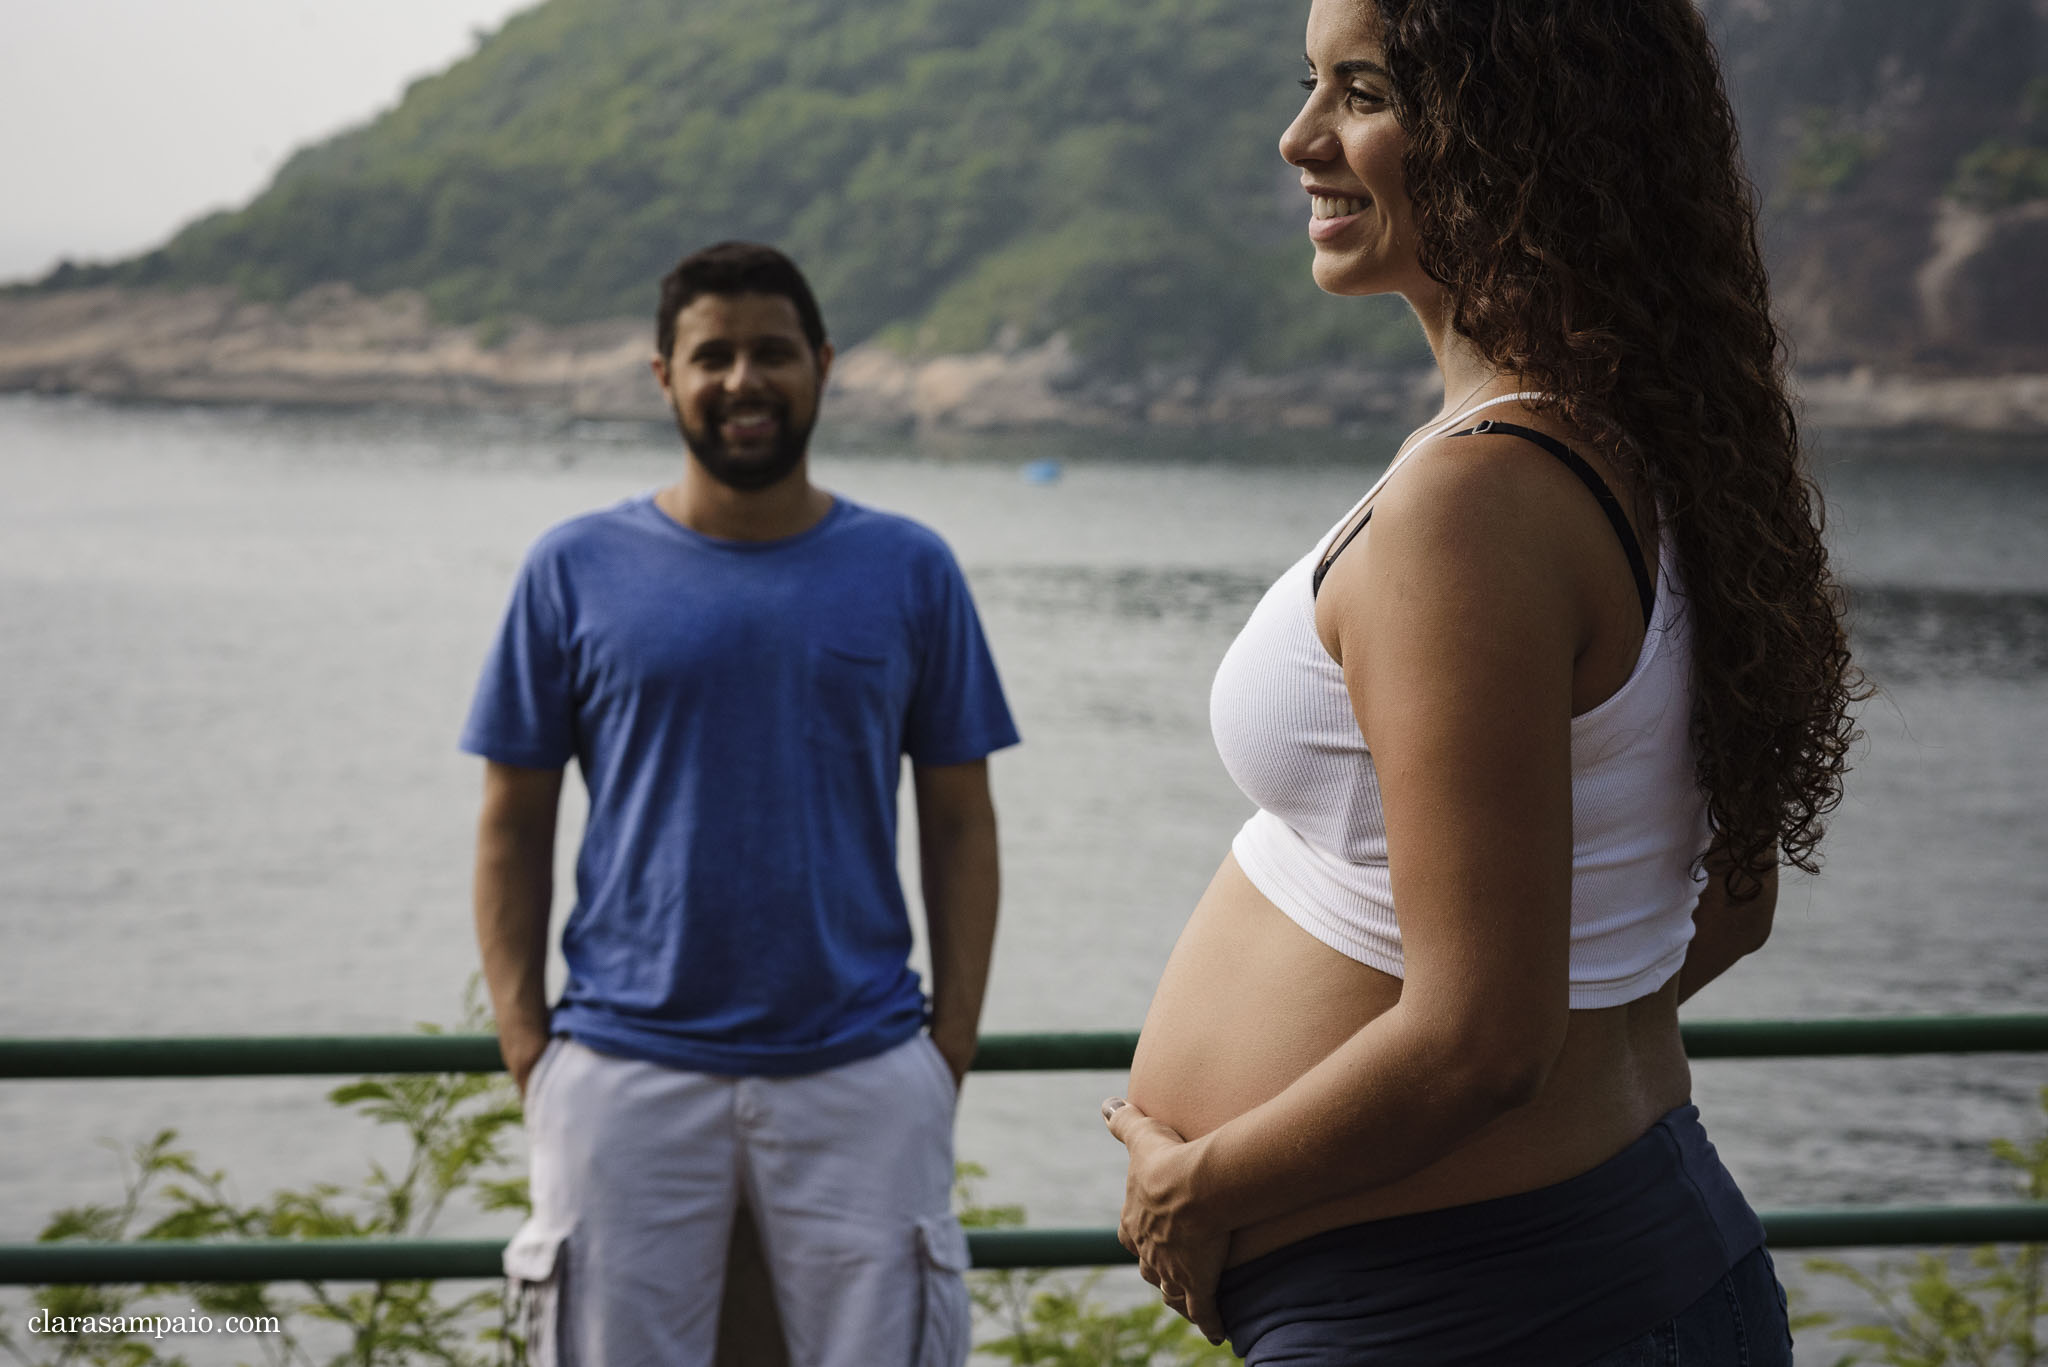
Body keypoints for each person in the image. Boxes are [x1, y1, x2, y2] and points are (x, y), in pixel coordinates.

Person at [1103, 1, 1863, 1362]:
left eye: (1364, 92)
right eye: (1310, 86)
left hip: (1469, 1303)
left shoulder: (1478, 500)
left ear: (1512, 132)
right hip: (1597, 1250)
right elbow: (1721, 913)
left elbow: (1481, 1039)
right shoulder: (1655, 446)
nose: (1300, 138)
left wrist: (1197, 1183)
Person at [462, 241, 1018, 1367]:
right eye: (710, 355)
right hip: (622, 1066)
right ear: (662, 376)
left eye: (771, 352)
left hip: (860, 1064)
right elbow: (510, 821)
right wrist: (529, 1041)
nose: (742, 380)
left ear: (820, 366)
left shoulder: (910, 569)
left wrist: (945, 1042)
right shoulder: (571, 568)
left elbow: (959, 818)